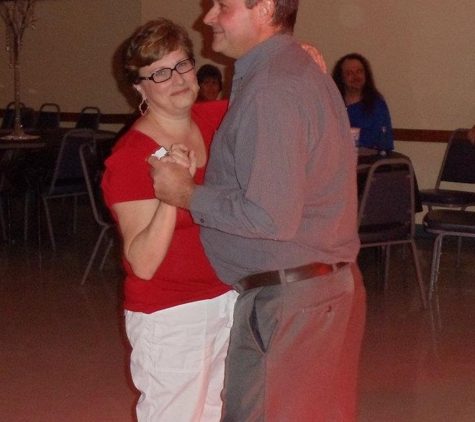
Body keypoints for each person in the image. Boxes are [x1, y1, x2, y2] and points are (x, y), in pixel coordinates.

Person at [148, 0, 366, 421]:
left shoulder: (273, 88)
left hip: (289, 302)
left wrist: (187, 194)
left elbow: (270, 217)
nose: (208, 17)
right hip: (316, 293)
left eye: (222, 6)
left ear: (264, 8)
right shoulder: (288, 71)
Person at [101, 18, 238, 422]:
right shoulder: (129, 157)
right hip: (171, 314)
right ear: (139, 88)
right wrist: (171, 195)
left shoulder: (215, 120)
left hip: (227, 298)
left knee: (216, 414)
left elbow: (271, 94)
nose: (176, 78)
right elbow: (142, 263)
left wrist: (300, 56)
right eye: (159, 72)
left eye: (182, 65)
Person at [332, 53, 394, 151]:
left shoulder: (377, 106)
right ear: (341, 78)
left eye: (359, 71)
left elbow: (385, 142)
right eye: (349, 73)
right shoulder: (331, 105)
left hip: (369, 162)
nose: (355, 76)